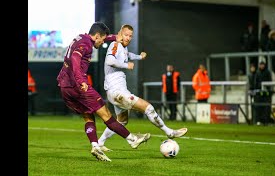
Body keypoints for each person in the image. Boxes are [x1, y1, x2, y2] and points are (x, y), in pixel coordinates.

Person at [56, 22, 150, 162]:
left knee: (88, 115)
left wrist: (114, 37)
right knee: (105, 113)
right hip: (77, 84)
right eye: (102, 38)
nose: (102, 42)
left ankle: (95, 146)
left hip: (64, 86)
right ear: (97, 36)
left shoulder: (81, 37)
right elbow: (75, 59)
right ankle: (132, 139)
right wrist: (81, 80)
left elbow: (102, 39)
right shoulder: (86, 44)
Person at [98, 24, 188, 150]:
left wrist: (139, 57)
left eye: (130, 36)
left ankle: (100, 143)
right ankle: (169, 132)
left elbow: (128, 55)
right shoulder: (115, 45)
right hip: (117, 91)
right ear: (120, 34)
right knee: (149, 108)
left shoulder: (123, 48)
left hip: (115, 91)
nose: (128, 38)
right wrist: (126, 65)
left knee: (121, 121)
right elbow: (109, 61)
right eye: (126, 35)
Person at [254, 59, 273, 125]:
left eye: (263, 64)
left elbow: (270, 82)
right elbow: (255, 82)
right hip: (259, 93)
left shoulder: (267, 72)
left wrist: (268, 89)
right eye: (260, 64)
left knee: (266, 107)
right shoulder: (257, 72)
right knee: (259, 107)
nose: (261, 66)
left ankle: (266, 120)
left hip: (266, 93)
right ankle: (259, 120)